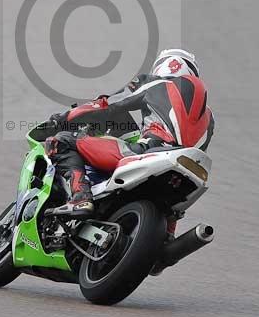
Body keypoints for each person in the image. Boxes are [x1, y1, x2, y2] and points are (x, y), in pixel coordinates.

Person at [44, 49, 215, 218]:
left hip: (149, 150)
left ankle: (81, 197)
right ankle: (167, 236)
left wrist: (61, 119)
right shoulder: (209, 118)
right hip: (188, 169)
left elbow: (106, 106)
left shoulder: (153, 82)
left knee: (62, 141)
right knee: (171, 210)